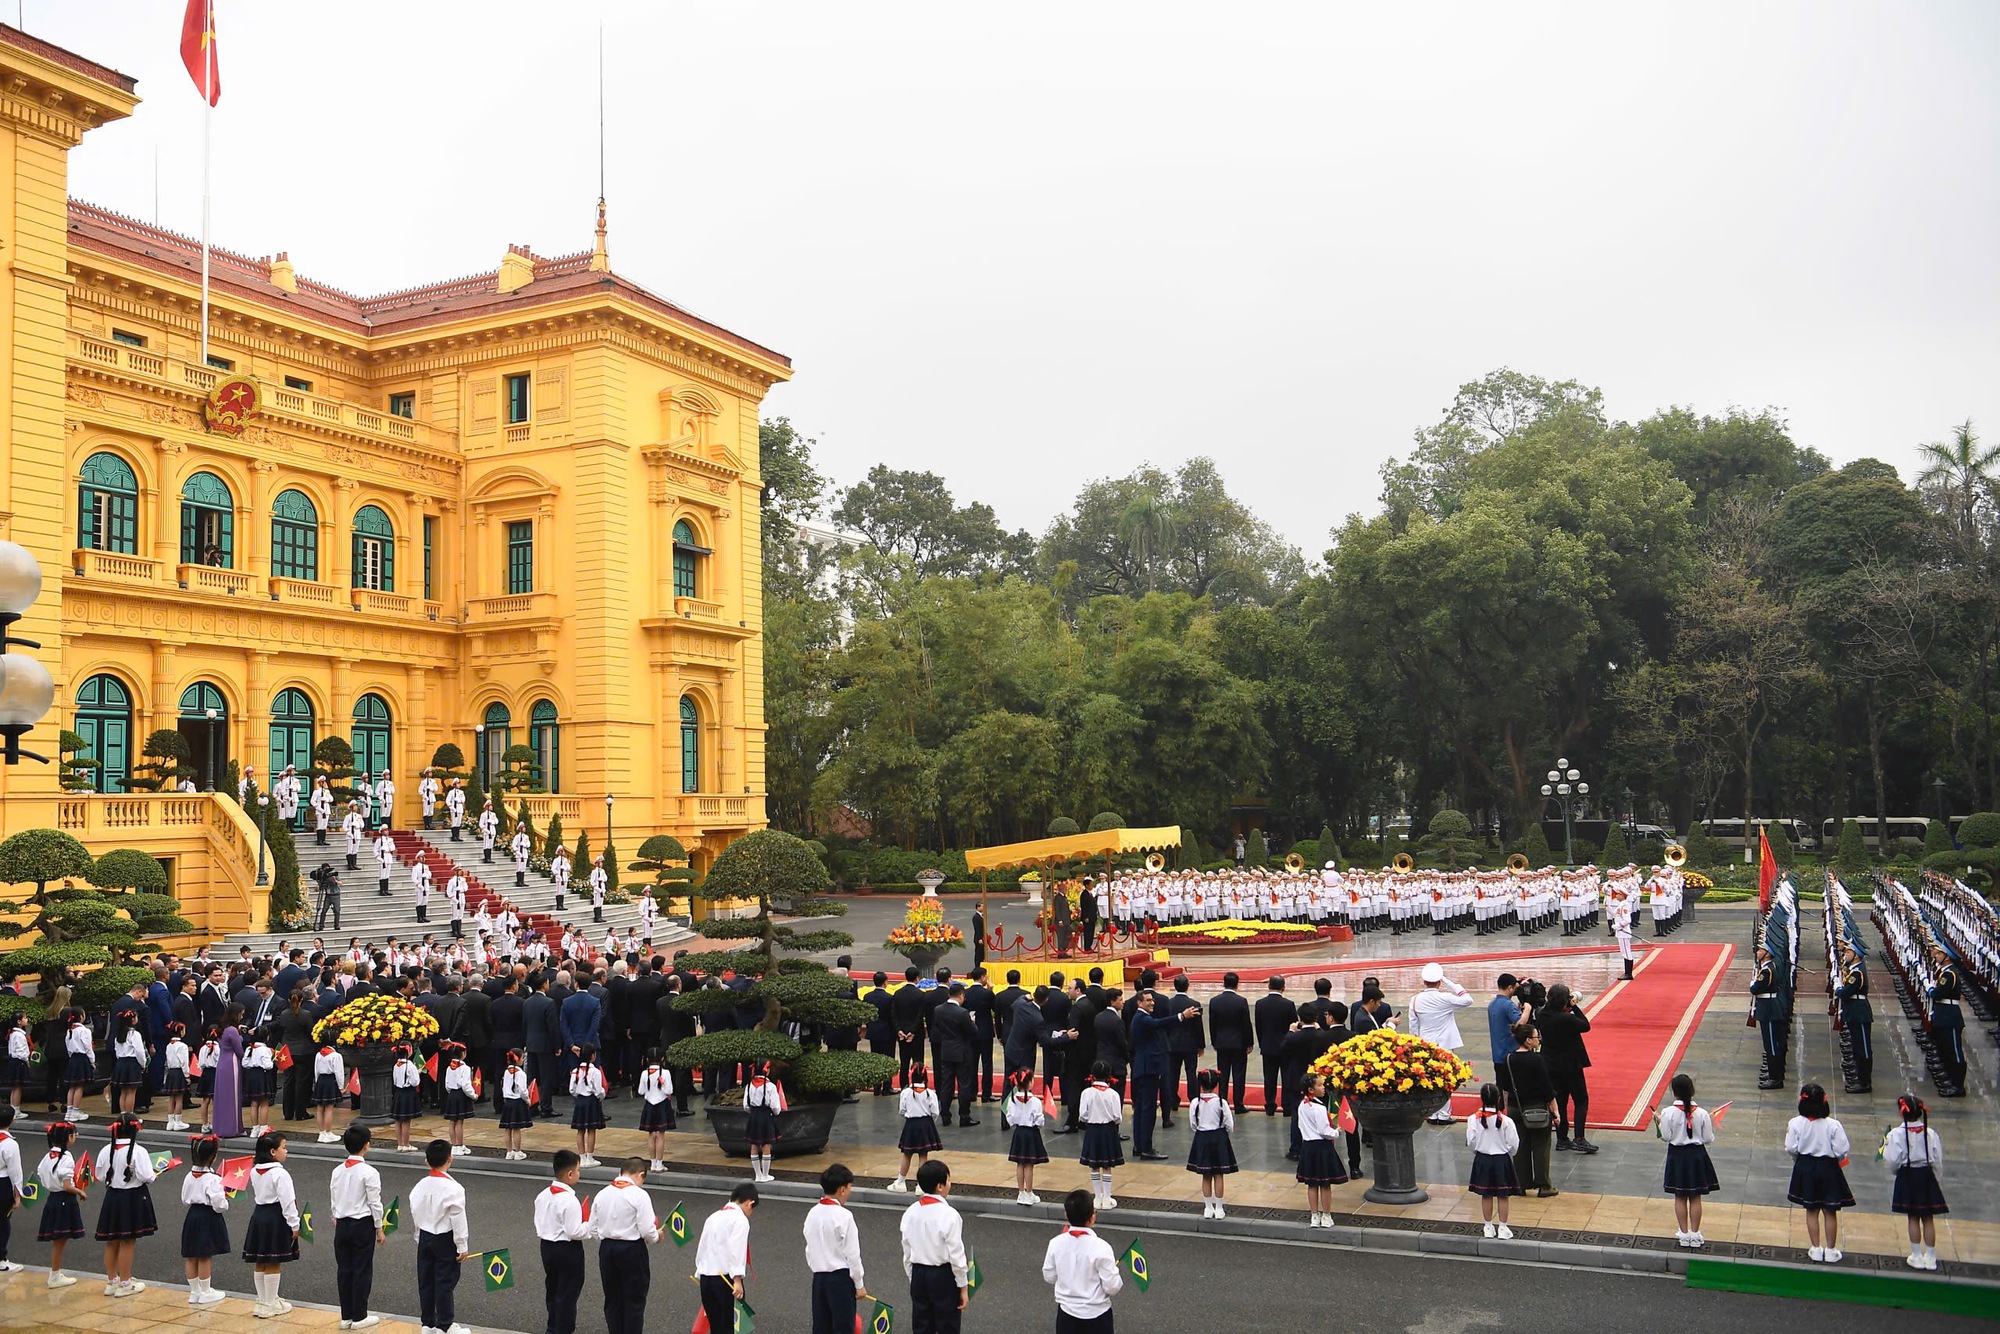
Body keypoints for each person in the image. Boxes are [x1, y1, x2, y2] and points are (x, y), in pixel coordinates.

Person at [1785, 1082, 1854, 1264]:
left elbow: (1791, 1147)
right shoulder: (1833, 1125)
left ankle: (1815, 1248)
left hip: (1806, 1166)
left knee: (1811, 1209)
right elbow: (1842, 1149)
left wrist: (1799, 1160)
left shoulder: (1795, 1123)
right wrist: (1836, 1161)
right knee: (1830, 1210)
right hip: (1828, 1167)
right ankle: (1831, 1250)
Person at [899, 1159, 969, 1334]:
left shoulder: (910, 1212)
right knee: (947, 1324)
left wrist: (912, 1276)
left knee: (921, 1325)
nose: (950, 1183)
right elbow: (956, 1255)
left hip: (918, 1273)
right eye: (948, 1180)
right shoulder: (950, 1215)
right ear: (940, 1186)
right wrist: (963, 1286)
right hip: (942, 1276)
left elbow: (907, 1249)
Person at [592, 1159, 662, 1334]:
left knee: (612, 1298)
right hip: (632, 1249)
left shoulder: (602, 1193)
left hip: (607, 1248)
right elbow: (647, 1230)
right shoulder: (639, 1195)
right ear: (641, 1175)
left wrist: (606, 1240)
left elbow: (592, 1227)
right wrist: (656, 1236)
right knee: (634, 1300)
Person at [410, 1139, 472, 1334]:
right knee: (445, 1281)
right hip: (445, 1239)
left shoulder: (419, 1186)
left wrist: (418, 1235)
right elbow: (458, 1218)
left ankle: (428, 1323)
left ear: (426, 1161)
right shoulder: (454, 1188)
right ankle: (445, 1324)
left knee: (426, 1280)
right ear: (450, 1158)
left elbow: (415, 1212)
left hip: (425, 1236)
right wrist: (462, 1245)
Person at [329, 1123, 387, 1330]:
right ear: (366, 1145)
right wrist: (379, 1227)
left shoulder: (337, 1170)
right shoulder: (369, 1172)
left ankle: (346, 1316)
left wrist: (336, 1215)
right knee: (362, 1269)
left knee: (344, 1270)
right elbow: (374, 1202)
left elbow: (334, 1196)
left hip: (342, 1224)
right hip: (362, 1224)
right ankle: (360, 1315)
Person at [93, 1113, 158, 1296]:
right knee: (128, 1240)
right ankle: (125, 1283)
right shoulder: (139, 1151)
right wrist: (154, 1173)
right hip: (132, 1197)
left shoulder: (106, 1150)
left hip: (112, 1196)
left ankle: (112, 1281)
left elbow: (100, 1175)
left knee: (112, 1240)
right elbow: (147, 1176)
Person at [1652, 1073, 1718, 1249]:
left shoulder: (1667, 1112)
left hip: (1677, 1156)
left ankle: (1684, 1234)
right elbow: (1708, 1139)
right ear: (1692, 1091)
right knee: (1695, 1196)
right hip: (1697, 1156)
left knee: (1680, 1195)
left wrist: (1660, 1122)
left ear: (1674, 1092)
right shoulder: (1702, 1113)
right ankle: (1695, 1235)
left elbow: (1666, 1137)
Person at [1043, 1188, 1121, 1334]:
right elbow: (1113, 1287)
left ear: (1066, 1215)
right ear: (1092, 1217)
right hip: (1097, 1316)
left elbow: (1049, 1276)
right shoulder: (1102, 1247)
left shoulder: (1055, 1243)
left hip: (1066, 1315)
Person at [242, 1129, 301, 1318]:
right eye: (284, 1147)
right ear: (272, 1152)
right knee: (274, 1261)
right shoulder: (280, 1174)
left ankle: (263, 1301)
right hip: (276, 1217)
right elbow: (288, 1201)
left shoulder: (254, 1171)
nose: (286, 1151)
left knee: (261, 1259)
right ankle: (270, 1304)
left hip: (259, 1214)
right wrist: (295, 1224)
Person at [805, 1163, 871, 1334]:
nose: (850, 1191)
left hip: (819, 1279)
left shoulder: (812, 1213)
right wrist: (859, 1284)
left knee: (821, 1326)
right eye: (849, 1187)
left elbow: (809, 1249)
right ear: (842, 1189)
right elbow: (852, 1254)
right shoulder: (844, 1216)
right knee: (843, 1327)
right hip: (841, 1279)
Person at [1883, 1094, 1947, 1271]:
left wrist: (1897, 1173)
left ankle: (1916, 1255)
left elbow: (1892, 1160)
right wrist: (1935, 1178)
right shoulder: (1930, 1133)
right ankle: (1931, 1257)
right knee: (1928, 1217)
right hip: (1926, 1175)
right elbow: (1937, 1159)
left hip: (1908, 1175)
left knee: (1913, 1216)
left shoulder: (1896, 1134)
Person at [535, 1151, 593, 1334]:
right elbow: (574, 1232)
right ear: (569, 1174)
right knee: (567, 1293)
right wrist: (590, 1224)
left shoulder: (542, 1195)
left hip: (547, 1247)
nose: (579, 1173)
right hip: (567, 1249)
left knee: (553, 1289)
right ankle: (563, 1329)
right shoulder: (569, 1200)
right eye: (578, 1170)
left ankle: (552, 1327)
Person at [1535, 982, 1596, 1153]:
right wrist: (1574, 1007)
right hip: (1571, 1065)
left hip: (1550, 1064)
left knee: (1560, 1101)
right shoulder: (1566, 1018)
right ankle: (1579, 1138)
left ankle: (1562, 1139)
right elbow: (1585, 1025)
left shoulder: (1541, 1014)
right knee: (1581, 1100)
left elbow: (1552, 1011)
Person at [1408, 963, 1472, 1123]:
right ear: (1439, 982)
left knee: (1430, 1078)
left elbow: (1413, 1026)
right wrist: (1448, 981)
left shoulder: (1415, 1000)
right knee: (1446, 1078)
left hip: (1426, 1045)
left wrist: (1415, 1047)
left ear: (1424, 981)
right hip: (1445, 1044)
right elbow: (1467, 999)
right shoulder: (1445, 998)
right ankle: (1443, 1115)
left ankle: (1432, 1113)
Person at [694, 1183, 758, 1334]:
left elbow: (702, 1247)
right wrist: (737, 1280)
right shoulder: (740, 1220)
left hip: (706, 1278)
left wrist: (700, 1271)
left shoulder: (713, 1217)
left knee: (715, 1325)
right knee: (729, 1326)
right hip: (725, 1280)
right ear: (750, 1203)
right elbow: (737, 1250)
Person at [1504, 1022, 1558, 1197]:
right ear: (1528, 1040)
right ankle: (1544, 1186)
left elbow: (1505, 1087)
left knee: (1520, 1146)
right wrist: (1556, 1111)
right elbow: (1547, 1088)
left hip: (1515, 1108)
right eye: (1536, 1036)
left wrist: (1506, 1108)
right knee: (1541, 1147)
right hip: (1536, 1109)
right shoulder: (1537, 1059)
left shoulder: (1509, 1059)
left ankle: (1521, 1184)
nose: (1538, 1039)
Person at [178, 1132, 230, 1306]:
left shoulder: (188, 1176)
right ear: (213, 1157)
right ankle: (206, 1291)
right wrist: (225, 1200)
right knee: (205, 1255)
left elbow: (184, 1199)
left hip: (192, 1216)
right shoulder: (214, 1179)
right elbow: (219, 1205)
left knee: (191, 1255)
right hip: (208, 1217)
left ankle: (194, 1292)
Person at [1465, 1083, 1522, 1238]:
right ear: (1498, 1099)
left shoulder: (1473, 1119)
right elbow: (1514, 1144)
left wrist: (1478, 1151)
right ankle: (1503, 1228)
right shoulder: (1506, 1121)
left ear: (1481, 1098)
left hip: (1482, 1159)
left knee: (1486, 1194)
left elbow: (1471, 1142)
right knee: (1503, 1195)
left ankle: (1488, 1227)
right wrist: (1509, 1153)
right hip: (1501, 1160)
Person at [1294, 1070, 1348, 1227]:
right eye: (1320, 1085)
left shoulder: (1302, 1105)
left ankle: (1314, 1215)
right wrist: (1336, 1132)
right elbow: (1324, 1131)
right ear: (1311, 1089)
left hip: (1308, 1147)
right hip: (1322, 1147)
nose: (1323, 1087)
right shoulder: (1319, 1108)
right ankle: (1326, 1215)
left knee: (1312, 1184)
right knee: (1325, 1184)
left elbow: (1301, 1125)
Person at [38, 1120, 86, 1287]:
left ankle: (55, 1273)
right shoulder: (66, 1158)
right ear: (69, 1137)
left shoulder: (48, 1156)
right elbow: (66, 1186)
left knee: (59, 1239)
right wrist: (79, 1191)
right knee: (60, 1240)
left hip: (52, 1198)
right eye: (75, 1135)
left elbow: (41, 1175)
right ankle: (55, 1274)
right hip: (64, 1200)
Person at [1186, 1068, 1237, 1219]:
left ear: (1200, 1084)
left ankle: (1208, 1208)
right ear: (1216, 1084)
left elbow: (1193, 1124)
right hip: (1219, 1138)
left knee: (1206, 1174)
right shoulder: (1221, 1102)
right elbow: (1229, 1124)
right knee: (1219, 1174)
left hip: (1202, 1138)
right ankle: (1219, 1208)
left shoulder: (1195, 1102)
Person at [1078, 1061, 1125, 1210]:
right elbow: (1117, 1116)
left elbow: (1082, 1115)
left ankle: (1097, 1197)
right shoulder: (1113, 1094)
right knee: (1107, 1165)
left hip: (1092, 1130)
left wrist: (1091, 1119)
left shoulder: (1086, 1093)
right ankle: (1107, 1197)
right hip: (1108, 1130)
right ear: (1108, 1076)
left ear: (1092, 1075)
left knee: (1094, 1165)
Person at [891, 1066, 942, 1191]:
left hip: (911, 1124)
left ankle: (901, 1182)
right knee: (923, 1155)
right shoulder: (930, 1093)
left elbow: (902, 1110)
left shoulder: (906, 1092)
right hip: (925, 1124)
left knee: (907, 1154)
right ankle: (921, 1185)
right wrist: (929, 1121)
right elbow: (935, 1112)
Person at [1206, 973, 1252, 1112]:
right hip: (1238, 1043)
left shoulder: (1214, 1001)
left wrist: (1214, 1041)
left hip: (1221, 1043)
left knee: (1223, 1074)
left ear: (1223, 983)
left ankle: (1222, 1102)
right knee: (1239, 1074)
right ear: (1237, 984)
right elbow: (1246, 1024)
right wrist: (1249, 1043)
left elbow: (1212, 1024)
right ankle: (1238, 1104)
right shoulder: (1241, 1001)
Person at [1252, 978, 1295, 1115]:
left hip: (1268, 1046)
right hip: (1285, 1047)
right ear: (1283, 987)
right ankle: (1287, 1106)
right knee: (1287, 1077)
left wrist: (1262, 1043)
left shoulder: (1260, 1004)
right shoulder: (1288, 1004)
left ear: (1269, 986)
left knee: (1269, 1078)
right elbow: (1293, 1027)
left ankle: (1270, 1106)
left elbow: (1259, 1027)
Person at [743, 1061, 786, 1183]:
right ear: (767, 1070)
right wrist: (776, 1112)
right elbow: (776, 1107)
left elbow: (746, 1106)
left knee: (754, 1145)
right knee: (766, 1145)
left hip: (753, 1116)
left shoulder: (749, 1085)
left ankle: (758, 1174)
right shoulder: (770, 1086)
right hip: (766, 1116)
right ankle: (765, 1175)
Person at [570, 1043, 607, 1167]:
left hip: (580, 1101)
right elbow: (599, 1090)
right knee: (591, 1130)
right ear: (592, 1056)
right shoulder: (595, 1071)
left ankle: (582, 1158)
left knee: (580, 1130)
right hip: (591, 1102)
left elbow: (572, 1089)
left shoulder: (575, 1071)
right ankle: (590, 1158)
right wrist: (601, 1096)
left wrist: (578, 1096)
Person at [442, 1041, 478, 1156]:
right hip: (461, 1095)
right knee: (459, 1122)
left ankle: (454, 1145)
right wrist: (473, 1095)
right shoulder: (465, 1068)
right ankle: (460, 1145)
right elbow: (466, 1085)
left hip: (452, 1094)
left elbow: (447, 1084)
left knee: (452, 1121)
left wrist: (451, 1093)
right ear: (463, 1054)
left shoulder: (449, 1067)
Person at [499, 1050, 534, 1161]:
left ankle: (509, 1152)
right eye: (522, 1058)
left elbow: (503, 1087)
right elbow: (523, 1090)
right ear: (518, 1059)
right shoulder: (521, 1074)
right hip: (517, 1102)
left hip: (508, 1102)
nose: (523, 1060)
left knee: (507, 1128)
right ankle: (518, 1152)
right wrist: (528, 1100)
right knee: (516, 1128)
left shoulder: (506, 1072)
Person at [60, 1008, 93, 1123]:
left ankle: (69, 1111)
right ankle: (75, 1110)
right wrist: (92, 1061)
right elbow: (88, 1047)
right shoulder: (84, 1031)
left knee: (72, 1086)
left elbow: (68, 1046)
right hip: (81, 1058)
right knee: (79, 1086)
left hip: (73, 1058)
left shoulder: (70, 1030)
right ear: (81, 1017)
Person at [312, 1042, 348, 1143]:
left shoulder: (319, 1054)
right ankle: (328, 1133)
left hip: (321, 1080)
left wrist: (317, 1082)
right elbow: (339, 1072)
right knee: (329, 1108)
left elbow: (316, 1070)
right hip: (330, 1080)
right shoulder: (336, 1056)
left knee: (320, 1108)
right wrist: (341, 1087)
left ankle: (322, 1133)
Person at [389, 1043, 422, 1152]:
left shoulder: (396, 1065)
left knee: (398, 1120)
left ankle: (400, 1144)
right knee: (406, 1121)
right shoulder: (410, 1065)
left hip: (398, 1093)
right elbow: (415, 1082)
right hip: (408, 1093)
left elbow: (395, 1081)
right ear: (408, 1051)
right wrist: (418, 1073)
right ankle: (406, 1144)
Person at [0, 1104, 19, 1273]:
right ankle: (1, 1259)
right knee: (3, 1222)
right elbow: (15, 1171)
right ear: (12, 1121)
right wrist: (17, 1194)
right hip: (3, 1183)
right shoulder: (10, 1144)